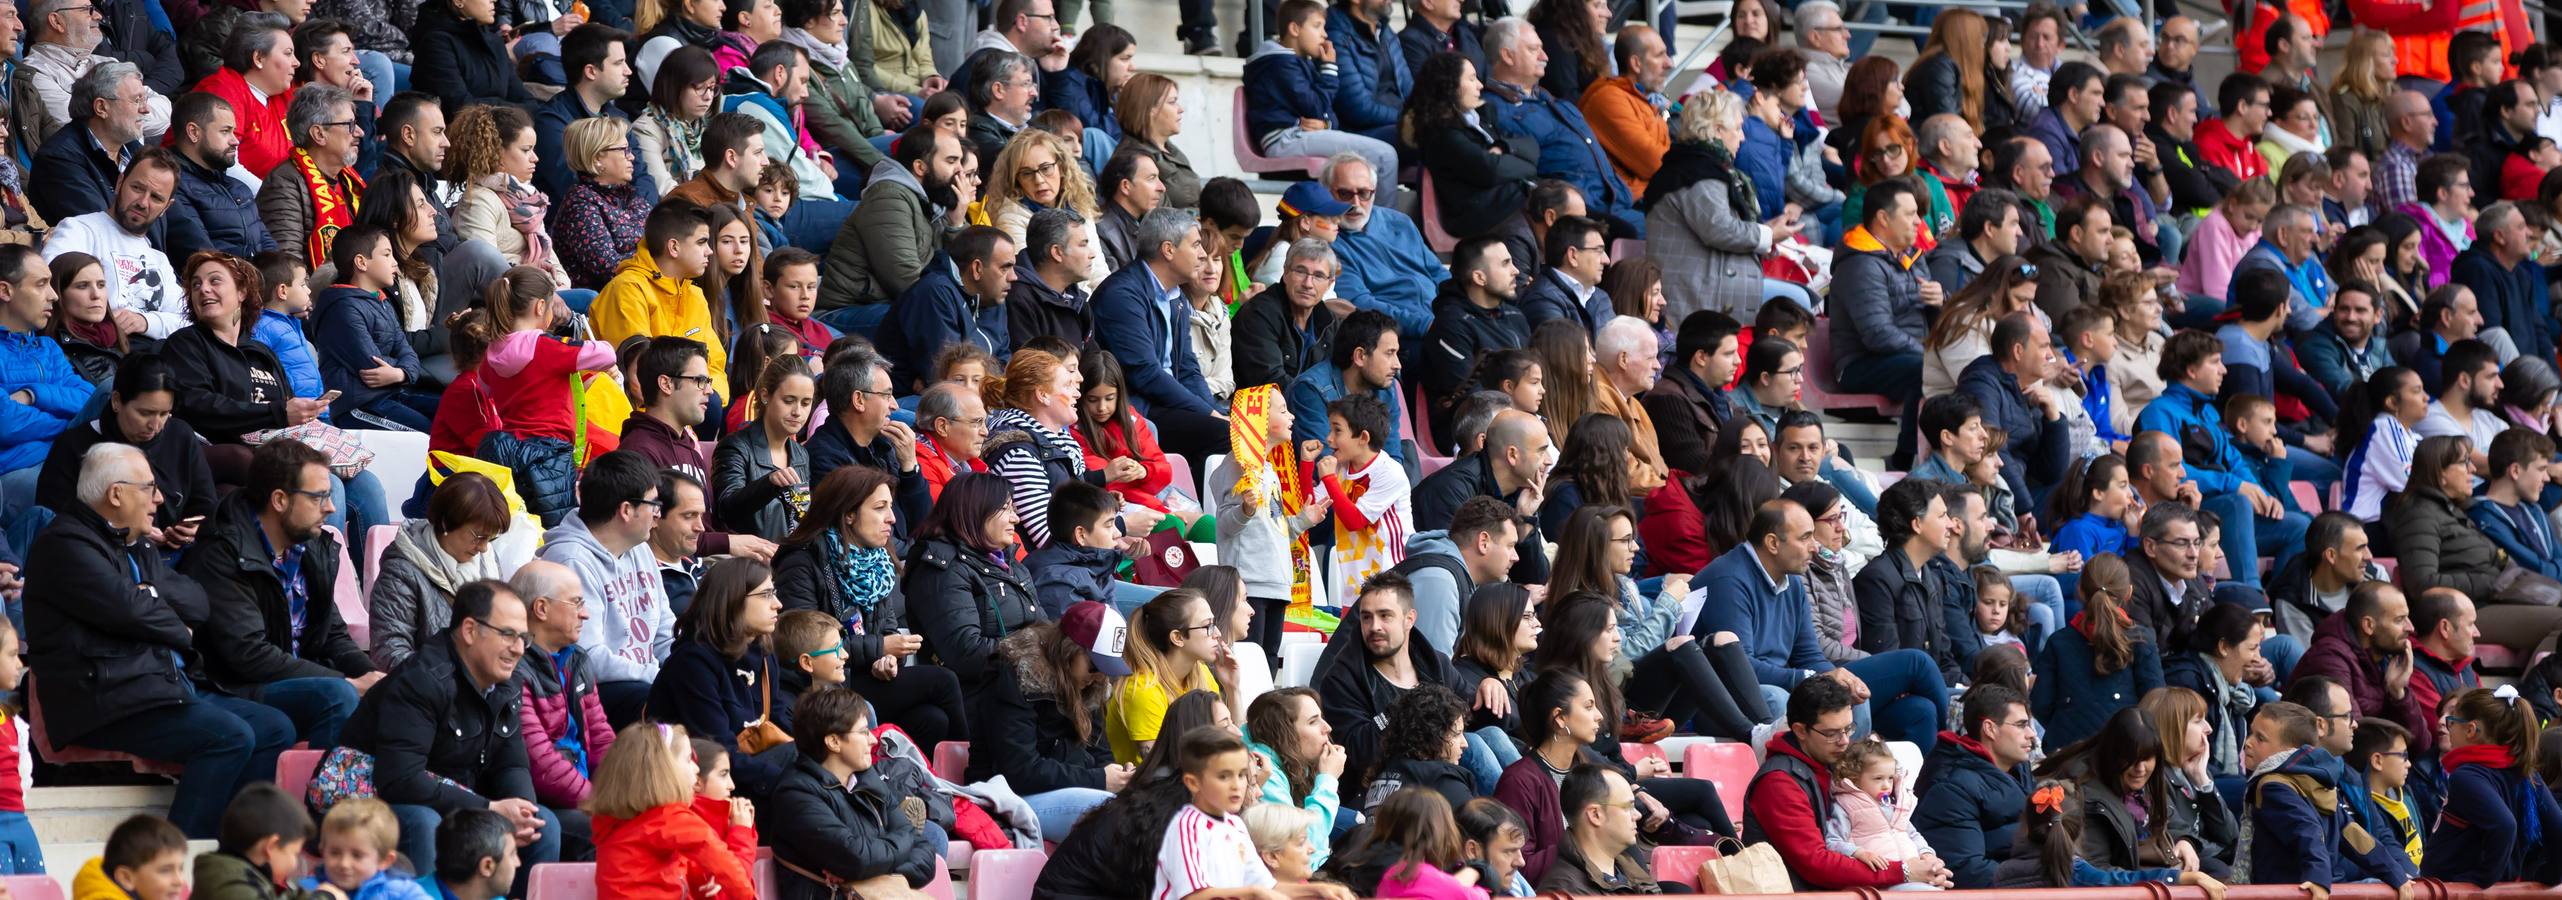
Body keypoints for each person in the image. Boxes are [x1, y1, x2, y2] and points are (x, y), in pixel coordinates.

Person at [25, 443, 289, 838]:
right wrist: (156, 607)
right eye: (149, 488)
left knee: (275, 728)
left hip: (156, 688)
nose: (160, 499)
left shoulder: (137, 544)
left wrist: (148, 597)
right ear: (116, 494)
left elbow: (198, 603)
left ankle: (236, 848)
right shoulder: (64, 545)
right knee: (229, 737)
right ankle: (180, 859)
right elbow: (132, 612)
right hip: (105, 701)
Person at [341, 579, 562, 879]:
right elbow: (400, 779)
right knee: (424, 822)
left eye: (524, 637)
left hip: (457, 801)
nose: (519, 649)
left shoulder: (506, 682)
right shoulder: (422, 680)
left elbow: (511, 764)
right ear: (470, 630)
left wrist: (522, 814)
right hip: (381, 805)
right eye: (508, 635)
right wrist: (491, 808)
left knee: (542, 825)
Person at [1699, 498, 1950, 749]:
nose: (1815, 547)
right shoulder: (1729, 580)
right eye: (1806, 537)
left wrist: (1836, 681)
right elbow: (1739, 668)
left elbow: (1809, 654)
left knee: (1891, 704)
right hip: (1725, 702)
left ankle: (1849, 778)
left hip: (1781, 683)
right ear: (1773, 543)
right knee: (1777, 698)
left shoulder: (1792, 579)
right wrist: (1809, 677)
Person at [769, 464, 969, 750]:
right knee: (943, 681)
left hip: (861, 673)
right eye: (880, 508)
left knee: (931, 719)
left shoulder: (875, 560)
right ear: (849, 514)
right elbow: (801, 644)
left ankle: (917, 787)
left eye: (891, 507)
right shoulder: (803, 561)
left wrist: (887, 660)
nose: (891, 519)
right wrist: (880, 648)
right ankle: (974, 774)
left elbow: (886, 627)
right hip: (820, 683)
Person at [1744, 673, 1956, 890]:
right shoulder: (1779, 783)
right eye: (1831, 733)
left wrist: (1926, 864)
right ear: (1800, 731)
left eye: (1848, 729)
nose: (1844, 741)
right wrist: (1903, 871)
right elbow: (1816, 864)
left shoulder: (1835, 765)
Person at [540, 451, 676, 727]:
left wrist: (687, 668)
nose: (658, 513)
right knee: (659, 699)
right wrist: (660, 677)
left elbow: (665, 632)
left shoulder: (641, 549)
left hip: (645, 678)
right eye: (653, 504)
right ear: (626, 510)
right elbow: (588, 659)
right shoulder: (571, 561)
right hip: (597, 691)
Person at [763, 687, 940, 900]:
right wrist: (898, 844)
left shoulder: (869, 780)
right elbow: (857, 858)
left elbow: (925, 855)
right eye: (863, 732)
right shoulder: (796, 794)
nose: (873, 740)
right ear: (834, 742)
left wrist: (876, 872)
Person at [1644, 91, 1796, 322]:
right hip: (1699, 298)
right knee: (1796, 305)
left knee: (1801, 300)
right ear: (1716, 130)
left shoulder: (1701, 167)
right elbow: (1720, 229)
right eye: (1737, 128)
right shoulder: (1696, 173)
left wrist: (1767, 229)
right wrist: (1768, 234)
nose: (1742, 137)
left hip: (1714, 288)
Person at [1480, 18, 1637, 237]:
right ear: (1507, 55)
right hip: (1577, 211)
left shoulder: (1548, 98)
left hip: (1618, 200)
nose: (1545, 57)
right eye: (1534, 50)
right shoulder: (1495, 109)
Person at [2238, 700, 2415, 891]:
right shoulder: (2318, 782)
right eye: (2251, 733)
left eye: (2260, 738)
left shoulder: (2272, 786)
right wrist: (2395, 874)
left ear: (2289, 750)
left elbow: (2306, 830)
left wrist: (2318, 878)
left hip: (2294, 891)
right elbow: (2353, 835)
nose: (2248, 742)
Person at [901, 471, 1039, 694]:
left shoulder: (1010, 563)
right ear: (976, 511)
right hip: (981, 695)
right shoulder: (941, 570)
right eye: (1007, 509)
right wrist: (1039, 651)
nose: (1016, 518)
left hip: (1022, 683)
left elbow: (1042, 625)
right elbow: (967, 654)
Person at [369, 472, 512, 671]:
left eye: (491, 538)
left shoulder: (486, 560)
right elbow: (389, 653)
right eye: (479, 537)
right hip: (427, 695)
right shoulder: (401, 572)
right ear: (445, 523)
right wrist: (454, 682)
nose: (484, 548)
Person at [2423, 686, 2562, 883]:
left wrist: (2482, 879)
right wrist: (2551, 877)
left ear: (2470, 730)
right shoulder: (2525, 773)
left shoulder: (2465, 776)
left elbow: (2504, 825)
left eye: (2451, 722)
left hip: (2459, 891)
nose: (2448, 727)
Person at [1914, 683, 2035, 887]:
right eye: (2021, 725)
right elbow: (1967, 871)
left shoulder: (2021, 770)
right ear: (1990, 728)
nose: (2031, 733)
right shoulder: (1950, 787)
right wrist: (2044, 878)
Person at [164, 93, 280, 264]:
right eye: (225, 131)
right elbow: (204, 259)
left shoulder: (239, 188)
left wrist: (282, 275)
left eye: (233, 131)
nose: (235, 141)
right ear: (193, 132)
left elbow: (269, 247)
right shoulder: (172, 186)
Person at [711, 355, 815, 541]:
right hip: (751, 562)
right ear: (765, 395)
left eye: (805, 403)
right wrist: (769, 485)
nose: (798, 412)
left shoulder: (801, 454)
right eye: (789, 400)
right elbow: (726, 510)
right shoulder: (735, 447)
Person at [556, 118, 662, 292]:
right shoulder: (580, 203)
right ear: (597, 157)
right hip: (603, 305)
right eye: (623, 150)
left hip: (642, 291)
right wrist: (664, 259)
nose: (632, 156)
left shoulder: (630, 196)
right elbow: (610, 267)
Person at [2450, 201, 2552, 359]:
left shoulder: (2521, 274)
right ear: (2499, 237)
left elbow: (2539, 332)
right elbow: (2492, 339)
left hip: (2530, 376)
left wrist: (2552, 379)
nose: (2529, 233)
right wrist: (2528, 381)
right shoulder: (2476, 270)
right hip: (2505, 379)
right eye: (2520, 227)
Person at [1536, 764, 1659, 895]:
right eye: (1628, 807)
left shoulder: (1627, 866)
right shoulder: (1565, 891)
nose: (1638, 815)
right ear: (1595, 815)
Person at [411, 0, 530, 113]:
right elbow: (460, 107)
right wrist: (507, 108)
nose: (494, 0)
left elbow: (528, 102)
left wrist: (501, 108)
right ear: (458, 1)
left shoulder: (496, 43)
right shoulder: (436, 43)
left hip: (506, 127)